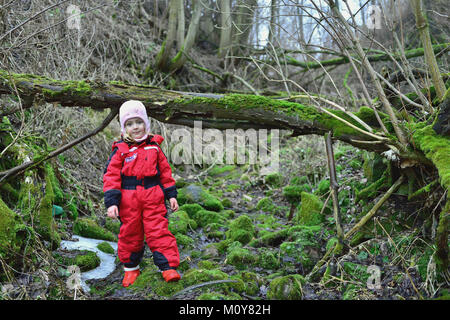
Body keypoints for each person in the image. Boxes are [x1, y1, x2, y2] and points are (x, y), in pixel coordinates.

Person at [103, 100, 181, 287]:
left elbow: (165, 173)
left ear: (146, 123)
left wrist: (171, 195)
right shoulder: (120, 150)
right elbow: (111, 177)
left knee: (159, 230)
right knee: (130, 233)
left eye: (139, 122)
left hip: (153, 196)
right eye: (129, 124)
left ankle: (168, 267)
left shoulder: (154, 147)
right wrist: (112, 202)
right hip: (128, 200)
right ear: (123, 128)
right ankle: (131, 268)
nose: (135, 127)